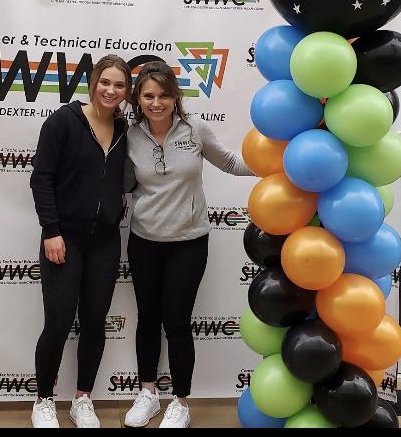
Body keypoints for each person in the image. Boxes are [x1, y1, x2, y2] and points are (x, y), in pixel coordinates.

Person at [121, 61, 254, 428]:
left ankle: (180, 401)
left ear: (175, 96)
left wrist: (278, 166)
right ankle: (148, 393)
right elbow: (120, 181)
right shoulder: (129, 135)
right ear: (138, 99)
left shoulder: (195, 128)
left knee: (177, 322)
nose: (156, 103)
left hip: (188, 243)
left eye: (164, 95)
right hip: (144, 241)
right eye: (148, 96)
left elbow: (231, 163)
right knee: (148, 319)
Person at [28, 54, 132, 428]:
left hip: (105, 240)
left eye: (119, 85)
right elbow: (41, 179)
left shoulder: (125, 129)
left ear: (126, 91)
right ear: (92, 82)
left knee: (93, 321)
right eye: (105, 82)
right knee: (58, 322)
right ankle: (43, 400)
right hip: (64, 238)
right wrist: (51, 230)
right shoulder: (63, 121)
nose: (111, 90)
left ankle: (82, 398)